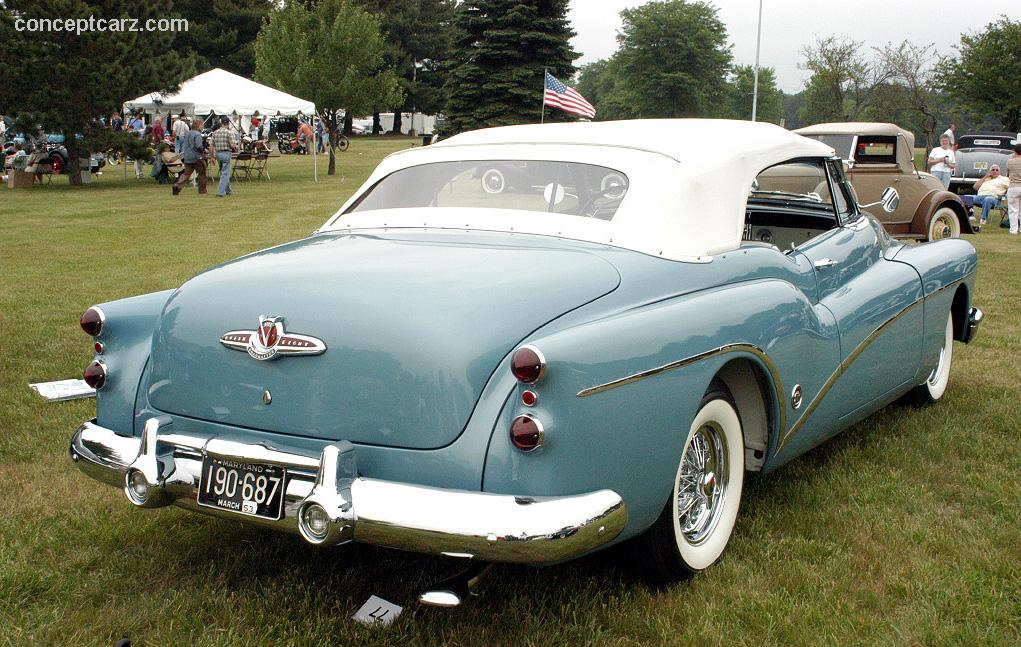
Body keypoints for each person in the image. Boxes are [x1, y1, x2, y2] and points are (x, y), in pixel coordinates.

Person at [173, 118, 208, 195]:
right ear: (198, 125)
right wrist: (204, 149)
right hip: (197, 157)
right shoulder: (197, 134)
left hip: (187, 157)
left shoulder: (188, 133)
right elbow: (198, 146)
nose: (202, 127)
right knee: (202, 173)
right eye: (202, 125)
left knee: (186, 174)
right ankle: (202, 191)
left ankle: (177, 186)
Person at [210, 116, 238, 197]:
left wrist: (212, 157)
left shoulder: (215, 133)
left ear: (221, 122)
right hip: (226, 153)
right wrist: (236, 149)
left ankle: (228, 190)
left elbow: (211, 146)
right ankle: (220, 192)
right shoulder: (229, 132)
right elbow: (233, 145)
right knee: (225, 174)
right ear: (228, 123)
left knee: (223, 171)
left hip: (218, 154)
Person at [1007, 143, 1021, 235]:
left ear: (1014, 151)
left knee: (1013, 210)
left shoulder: (1010, 161)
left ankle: (1013, 230)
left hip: (1014, 186)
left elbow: (1007, 174)